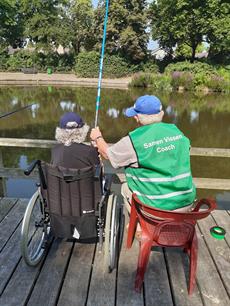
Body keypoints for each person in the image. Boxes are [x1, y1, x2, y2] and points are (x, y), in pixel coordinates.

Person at [90, 95, 196, 213]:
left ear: (137, 117)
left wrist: (97, 137)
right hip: (186, 203)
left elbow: (107, 154)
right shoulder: (175, 131)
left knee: (125, 188)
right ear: (161, 113)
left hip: (156, 209)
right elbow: (187, 148)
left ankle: (138, 226)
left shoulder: (134, 140)